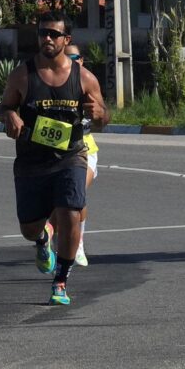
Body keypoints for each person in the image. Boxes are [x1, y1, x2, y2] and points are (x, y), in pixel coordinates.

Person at [0, 12, 107, 306]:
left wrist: (100, 114)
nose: (47, 38)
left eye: (54, 34)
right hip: (31, 162)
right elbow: (4, 107)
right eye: (42, 33)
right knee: (29, 228)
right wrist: (9, 116)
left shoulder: (84, 77)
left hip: (70, 157)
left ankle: (61, 280)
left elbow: (103, 116)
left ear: (66, 40)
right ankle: (41, 239)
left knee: (71, 212)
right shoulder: (22, 75)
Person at [63, 44, 103, 267]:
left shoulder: (88, 81)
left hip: (86, 148)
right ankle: (50, 238)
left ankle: (78, 243)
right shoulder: (53, 81)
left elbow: (102, 118)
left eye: (75, 57)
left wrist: (98, 114)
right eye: (66, 57)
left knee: (77, 194)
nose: (71, 61)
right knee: (58, 202)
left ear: (82, 59)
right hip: (59, 149)